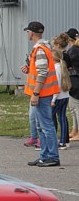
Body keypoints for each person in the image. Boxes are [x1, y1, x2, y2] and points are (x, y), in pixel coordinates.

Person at [21, 21, 60, 167]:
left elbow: (43, 73)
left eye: (28, 32)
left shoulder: (40, 50)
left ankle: (52, 156)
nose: (27, 34)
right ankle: (44, 155)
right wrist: (29, 69)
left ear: (31, 33)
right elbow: (39, 70)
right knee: (41, 127)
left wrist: (36, 93)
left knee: (46, 126)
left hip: (42, 94)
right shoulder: (42, 48)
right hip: (42, 93)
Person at [51, 47, 71, 149]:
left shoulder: (55, 69)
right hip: (65, 95)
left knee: (51, 117)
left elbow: (56, 85)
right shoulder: (62, 67)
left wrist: (53, 99)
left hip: (58, 97)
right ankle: (64, 140)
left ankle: (54, 140)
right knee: (62, 117)